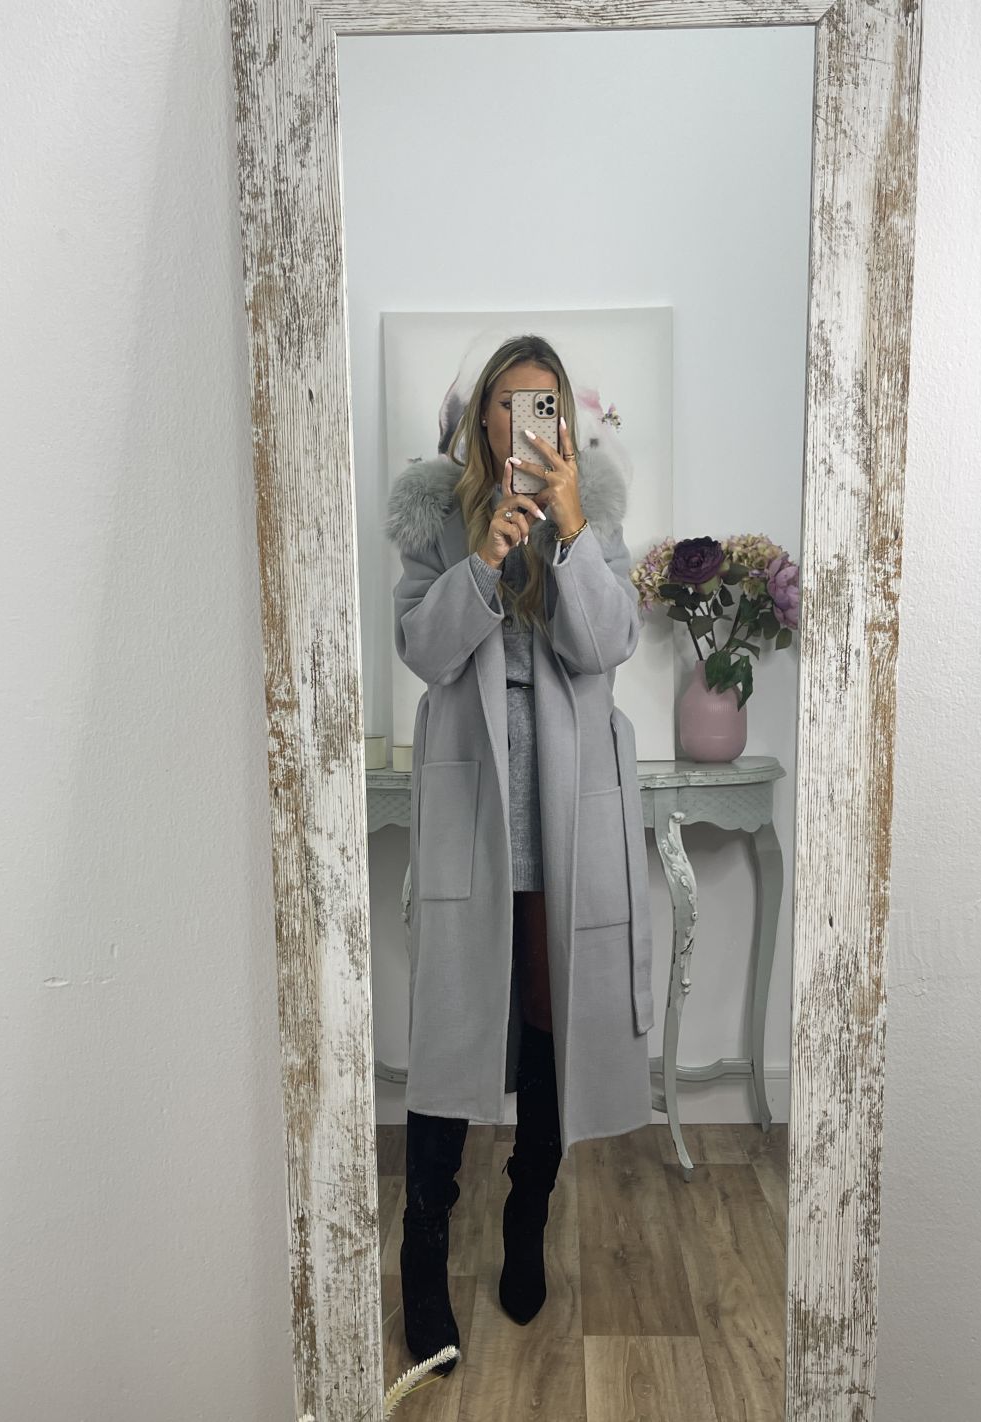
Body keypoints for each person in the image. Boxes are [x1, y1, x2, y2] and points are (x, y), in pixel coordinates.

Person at [384, 334, 655, 1374]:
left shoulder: (595, 523)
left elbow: (604, 646)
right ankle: (421, 1248)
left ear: (564, 424)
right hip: (474, 806)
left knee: (549, 1023)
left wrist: (571, 532)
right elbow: (423, 650)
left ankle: (526, 1213)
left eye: (545, 404)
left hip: (567, 815)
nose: (525, 421)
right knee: (454, 1027)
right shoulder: (437, 521)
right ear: (480, 418)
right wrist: (486, 561)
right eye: (508, 402)